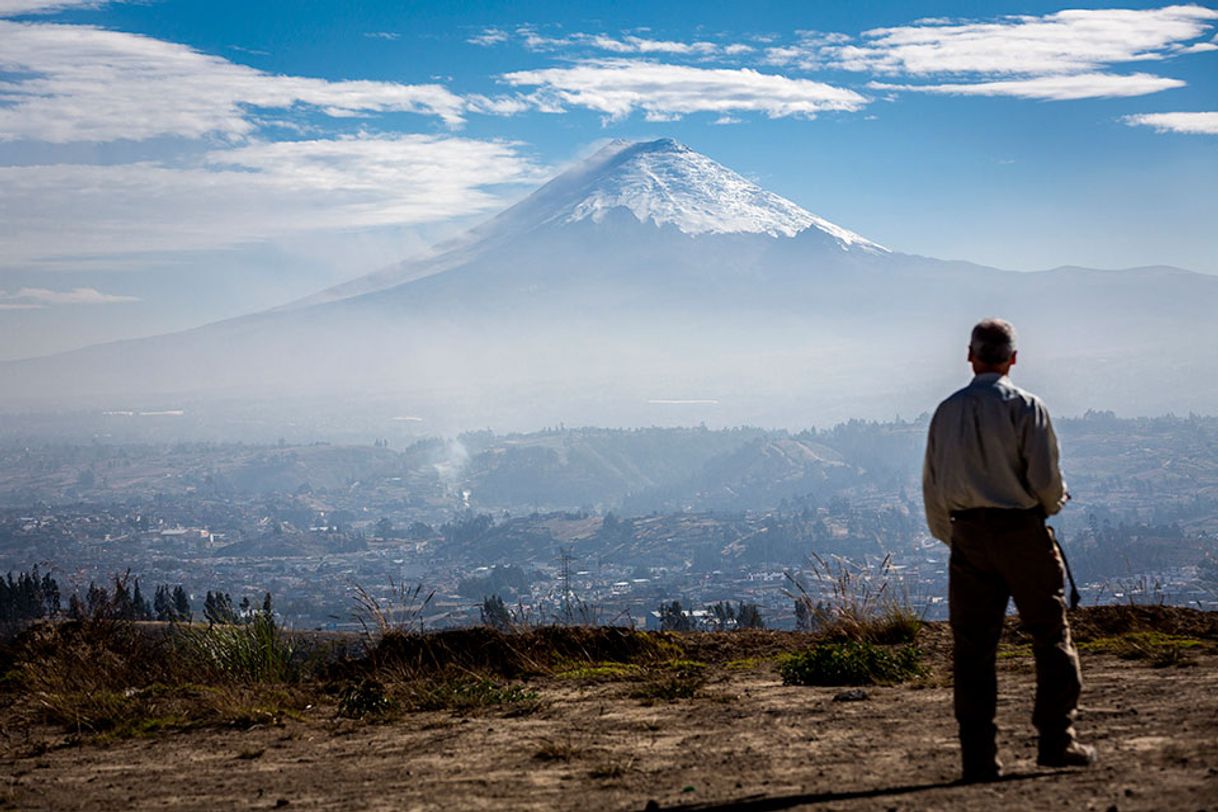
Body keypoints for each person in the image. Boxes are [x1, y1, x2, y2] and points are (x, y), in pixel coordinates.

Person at [922, 318, 1096, 783]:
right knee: (1050, 637)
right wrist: (1048, 507)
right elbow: (1046, 480)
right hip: (1021, 532)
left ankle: (978, 759)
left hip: (968, 537)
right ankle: (1057, 741)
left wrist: (955, 538)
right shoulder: (1028, 408)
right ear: (1013, 358)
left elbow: (933, 486)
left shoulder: (946, 412)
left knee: (974, 649)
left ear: (970, 355)